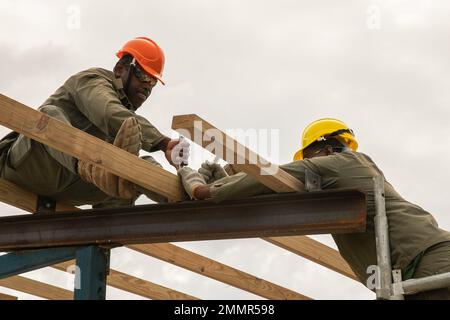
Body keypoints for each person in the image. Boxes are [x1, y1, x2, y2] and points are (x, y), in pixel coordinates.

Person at [177, 118, 450, 299]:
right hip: (421, 266)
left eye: (307, 156)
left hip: (428, 263)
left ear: (324, 148)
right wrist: (228, 181)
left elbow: (277, 175)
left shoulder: (343, 163)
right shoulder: (345, 186)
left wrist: (201, 188)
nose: (308, 163)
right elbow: (274, 197)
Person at [0, 36, 188, 207]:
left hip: (71, 184)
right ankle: (89, 167)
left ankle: (182, 197)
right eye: (143, 76)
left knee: (135, 167)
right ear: (120, 69)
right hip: (33, 166)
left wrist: (187, 182)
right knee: (49, 115)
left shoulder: (126, 118)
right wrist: (164, 143)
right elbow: (108, 112)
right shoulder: (93, 80)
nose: (147, 87)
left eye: (152, 82)